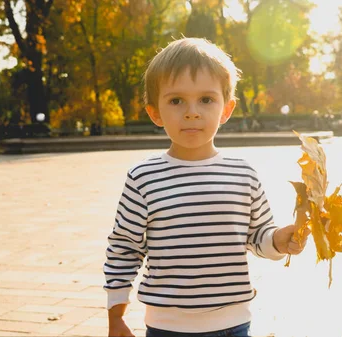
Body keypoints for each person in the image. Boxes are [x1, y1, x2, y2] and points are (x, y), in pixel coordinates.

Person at [104, 37, 310, 337]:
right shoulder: (143, 177)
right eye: (176, 101)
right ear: (155, 113)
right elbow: (124, 249)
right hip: (167, 327)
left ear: (226, 110)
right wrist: (116, 315)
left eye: (206, 99)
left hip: (233, 325)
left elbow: (258, 236)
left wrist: (280, 239)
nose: (192, 112)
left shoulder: (244, 174)